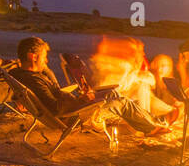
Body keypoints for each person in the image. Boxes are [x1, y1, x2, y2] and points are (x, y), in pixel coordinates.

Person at [12, 37, 166, 136]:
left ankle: (153, 121)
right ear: (33, 56)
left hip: (74, 109)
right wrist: (83, 100)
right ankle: (151, 128)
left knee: (112, 93)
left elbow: (51, 97)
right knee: (122, 103)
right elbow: (56, 108)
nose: (46, 61)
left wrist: (81, 97)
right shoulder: (35, 81)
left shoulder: (22, 74)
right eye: (44, 57)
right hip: (75, 116)